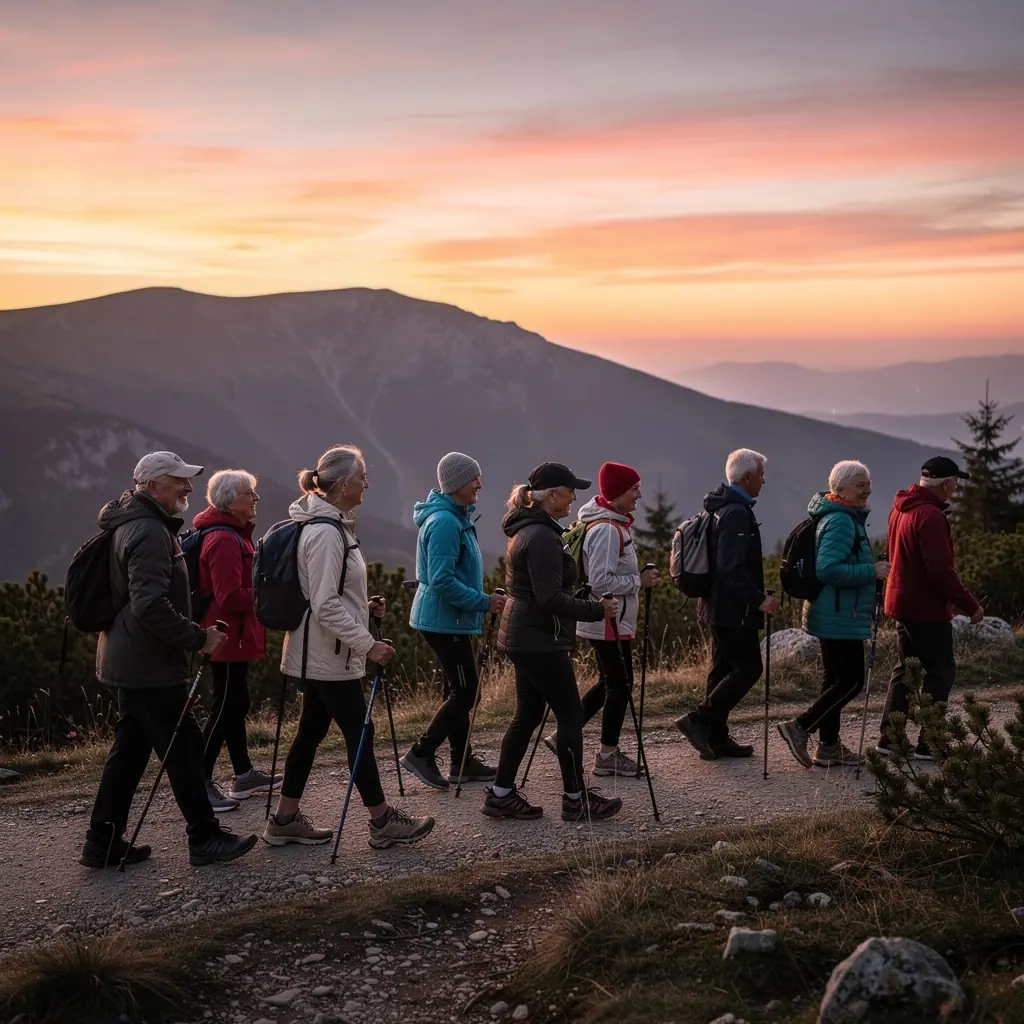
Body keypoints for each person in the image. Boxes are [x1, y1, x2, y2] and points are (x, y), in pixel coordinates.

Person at [81, 451, 258, 869]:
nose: (188, 488)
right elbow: (150, 606)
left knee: (130, 751)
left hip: (131, 656)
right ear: (153, 485)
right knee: (184, 749)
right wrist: (197, 636)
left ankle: (101, 841)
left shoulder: (135, 524)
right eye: (179, 480)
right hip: (149, 663)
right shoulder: (147, 532)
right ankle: (204, 837)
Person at [263, 444, 435, 850]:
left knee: (311, 732)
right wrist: (368, 643)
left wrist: (363, 608)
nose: (366, 483)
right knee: (359, 733)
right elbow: (324, 604)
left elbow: (331, 596)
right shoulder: (325, 533)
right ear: (342, 485)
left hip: (321, 651)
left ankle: (285, 820)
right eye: (361, 477)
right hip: (329, 654)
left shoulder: (330, 525)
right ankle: (381, 822)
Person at [483, 462, 623, 822]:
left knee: (527, 715)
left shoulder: (527, 530)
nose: (575, 497)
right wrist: (597, 610)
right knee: (571, 714)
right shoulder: (543, 537)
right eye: (570, 491)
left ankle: (501, 795)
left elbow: (540, 592)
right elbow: (549, 599)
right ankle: (576, 800)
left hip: (524, 634)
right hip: (539, 637)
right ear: (553, 496)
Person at [542, 461, 659, 776]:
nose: (639, 494)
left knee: (610, 681)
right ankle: (607, 757)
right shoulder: (607, 529)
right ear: (619, 492)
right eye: (634, 489)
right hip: (608, 620)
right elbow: (600, 583)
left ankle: (564, 734)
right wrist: (639, 583)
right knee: (621, 685)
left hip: (606, 619)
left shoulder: (610, 523)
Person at [399, 453, 507, 790]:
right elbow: (442, 580)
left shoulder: (454, 517)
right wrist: (484, 602)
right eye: (475, 479)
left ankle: (462, 762)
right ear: (458, 483)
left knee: (456, 689)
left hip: (448, 618)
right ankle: (421, 753)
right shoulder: (445, 522)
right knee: (466, 692)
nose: (480, 485)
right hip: (445, 621)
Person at [776, 461, 890, 768]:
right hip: (839, 614)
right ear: (839, 489)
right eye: (860, 485)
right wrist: (872, 571)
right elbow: (827, 569)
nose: (868, 490)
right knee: (851, 681)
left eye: (868, 483)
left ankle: (827, 747)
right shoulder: (840, 521)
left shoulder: (838, 516)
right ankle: (800, 728)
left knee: (834, 680)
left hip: (832, 611)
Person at [674, 448, 780, 759]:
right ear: (746, 478)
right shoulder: (736, 513)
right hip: (734, 608)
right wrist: (759, 600)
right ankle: (699, 720)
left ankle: (717, 738)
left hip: (715, 605)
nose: (764, 480)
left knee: (721, 670)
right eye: (760, 475)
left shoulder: (719, 507)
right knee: (748, 668)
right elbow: (731, 567)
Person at [876, 456, 983, 759]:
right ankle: (930, 742)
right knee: (941, 670)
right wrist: (970, 605)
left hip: (901, 602)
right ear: (947, 484)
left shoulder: (900, 509)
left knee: (906, 670)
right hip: (926, 608)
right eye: (955, 484)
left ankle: (891, 738)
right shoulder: (931, 517)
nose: (955, 489)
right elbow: (940, 572)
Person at [193, 469, 281, 813]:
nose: (256, 499)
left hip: (232, 635)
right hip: (227, 635)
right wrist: (266, 592)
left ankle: (243, 774)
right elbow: (229, 596)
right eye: (250, 494)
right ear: (231, 501)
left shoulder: (231, 534)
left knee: (234, 703)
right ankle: (199, 779)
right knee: (227, 705)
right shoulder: (225, 540)